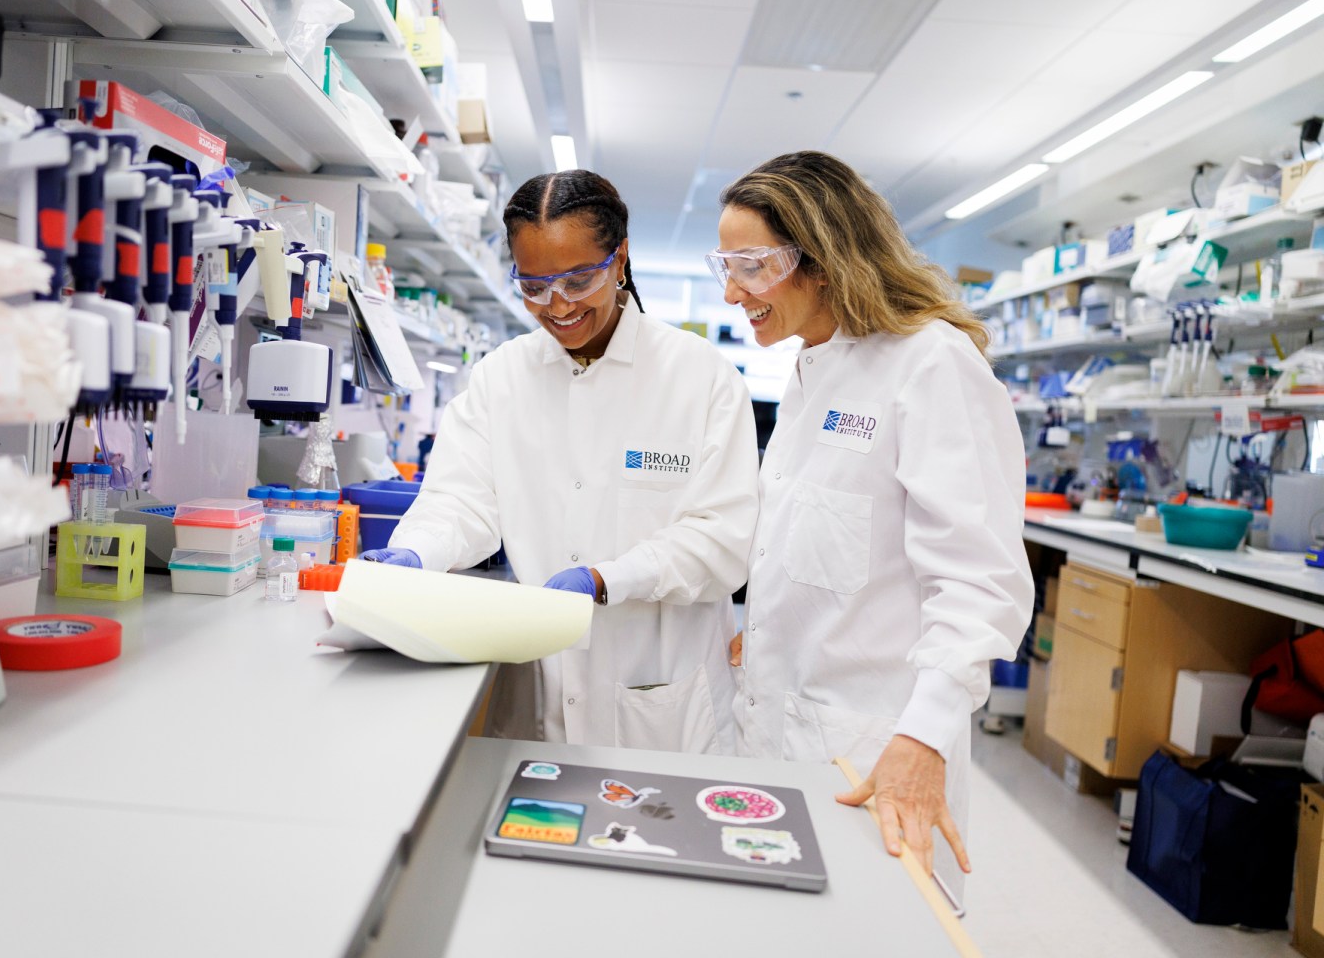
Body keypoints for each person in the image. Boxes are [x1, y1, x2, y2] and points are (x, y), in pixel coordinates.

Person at [714, 151, 1034, 890]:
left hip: (879, 751)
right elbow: (824, 546)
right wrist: (762, 628)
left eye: (752, 266)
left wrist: (923, 740)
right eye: (725, 266)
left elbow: (980, 586)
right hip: (781, 739)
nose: (733, 291)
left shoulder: (931, 365)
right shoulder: (810, 366)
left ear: (821, 259)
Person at [361, 169, 759, 753]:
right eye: (534, 286)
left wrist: (606, 579)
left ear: (619, 259)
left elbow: (722, 543)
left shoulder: (701, 378)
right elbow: (461, 500)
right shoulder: (501, 376)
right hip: (539, 696)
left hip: (662, 703)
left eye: (578, 280)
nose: (558, 306)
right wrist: (417, 550)